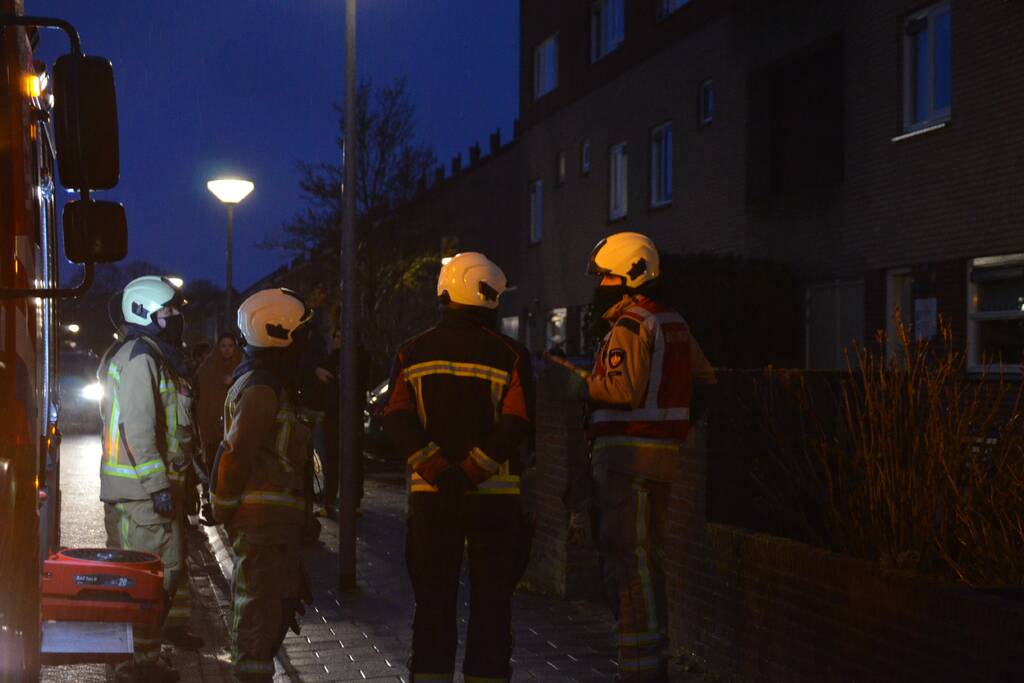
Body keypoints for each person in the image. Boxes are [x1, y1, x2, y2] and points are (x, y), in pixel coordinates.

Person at [547, 232, 716, 682]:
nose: (599, 283)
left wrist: (576, 384)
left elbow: (620, 389)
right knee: (646, 562)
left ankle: (641, 671)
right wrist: (672, 427)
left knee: (627, 567)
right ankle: (648, 663)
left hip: (624, 466)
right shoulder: (674, 322)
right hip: (661, 462)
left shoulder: (630, 324)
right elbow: (706, 382)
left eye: (605, 275)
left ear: (629, 275)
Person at [383, 252, 535, 682]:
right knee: (491, 607)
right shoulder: (512, 355)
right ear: (485, 294)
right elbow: (518, 423)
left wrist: (438, 471)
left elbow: (395, 417)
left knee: (433, 605)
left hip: (433, 500)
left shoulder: (410, 352)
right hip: (495, 503)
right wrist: (473, 470)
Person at [98, 275, 202, 683]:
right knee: (149, 581)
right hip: (143, 495)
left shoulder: (147, 355)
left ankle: (140, 658)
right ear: (145, 314)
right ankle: (136, 665)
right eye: (168, 312)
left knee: (152, 577)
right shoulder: (142, 358)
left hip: (144, 493)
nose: (176, 317)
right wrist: (159, 485)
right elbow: (138, 429)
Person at [211, 288, 315, 683]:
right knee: (258, 614)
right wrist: (221, 505)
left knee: (272, 610)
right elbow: (236, 452)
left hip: (275, 528)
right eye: (302, 331)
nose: (308, 340)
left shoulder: (273, 383)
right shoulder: (260, 388)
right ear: (279, 331)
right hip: (262, 528)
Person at [194, 332, 242, 521]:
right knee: (214, 468)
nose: (227, 350)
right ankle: (214, 509)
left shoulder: (242, 365)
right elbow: (204, 401)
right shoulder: (208, 368)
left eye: (231, 346)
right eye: (223, 346)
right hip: (212, 428)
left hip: (235, 426)